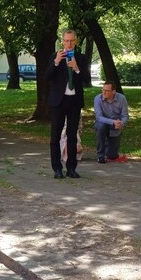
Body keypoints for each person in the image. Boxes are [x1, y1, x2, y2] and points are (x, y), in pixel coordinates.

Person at [45, 29, 91, 179]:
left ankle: (71, 168)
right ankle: (57, 169)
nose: (69, 44)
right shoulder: (55, 56)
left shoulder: (81, 58)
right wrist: (56, 62)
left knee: (72, 136)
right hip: (58, 101)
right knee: (55, 136)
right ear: (62, 42)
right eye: (66, 41)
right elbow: (47, 76)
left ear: (75, 41)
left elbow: (87, 79)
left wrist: (77, 68)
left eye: (72, 41)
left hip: (74, 101)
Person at [93, 81, 129, 164]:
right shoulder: (98, 98)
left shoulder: (121, 98)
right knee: (100, 127)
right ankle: (100, 155)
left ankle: (108, 147)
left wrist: (121, 123)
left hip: (116, 125)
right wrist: (113, 122)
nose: (104, 92)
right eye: (103, 90)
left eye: (107, 90)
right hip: (103, 123)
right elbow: (99, 117)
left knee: (112, 156)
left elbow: (125, 116)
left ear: (113, 91)